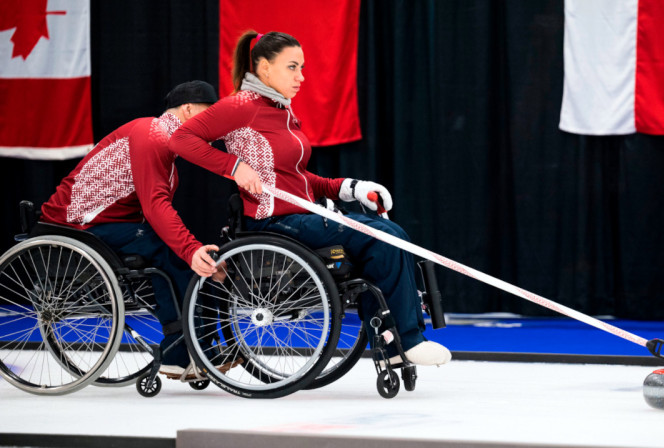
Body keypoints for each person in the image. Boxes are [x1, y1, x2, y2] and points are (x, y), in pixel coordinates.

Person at [169, 31, 451, 366]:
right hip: (275, 222)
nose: (301, 77)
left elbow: (296, 178)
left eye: (302, 68)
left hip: (303, 214)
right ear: (263, 67)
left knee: (392, 234)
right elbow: (181, 139)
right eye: (292, 67)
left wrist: (348, 187)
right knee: (383, 238)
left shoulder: (280, 111)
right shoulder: (241, 105)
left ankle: (392, 339)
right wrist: (234, 166)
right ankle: (405, 340)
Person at [40, 81, 228, 376]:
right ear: (188, 109)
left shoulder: (165, 147)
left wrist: (192, 250)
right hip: (73, 225)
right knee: (172, 250)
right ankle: (180, 352)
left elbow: (154, 211)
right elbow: (156, 208)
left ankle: (195, 344)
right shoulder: (153, 136)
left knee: (176, 249)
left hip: (102, 224)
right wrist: (191, 250)